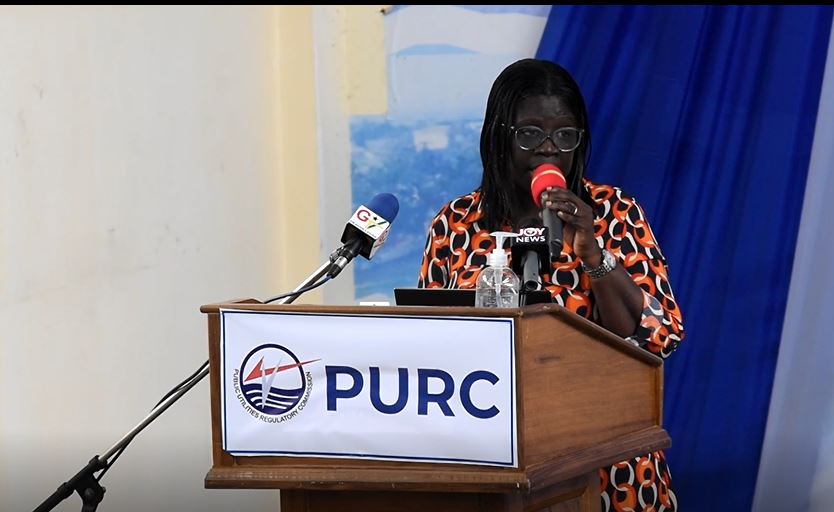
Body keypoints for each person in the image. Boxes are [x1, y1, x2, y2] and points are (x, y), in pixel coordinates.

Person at [417, 58, 684, 511]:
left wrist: (593, 254)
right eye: (529, 133)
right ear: (499, 136)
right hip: (493, 461)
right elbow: (428, 346)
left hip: (607, 464)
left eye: (564, 136)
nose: (548, 150)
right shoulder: (456, 223)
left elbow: (658, 337)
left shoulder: (615, 212)